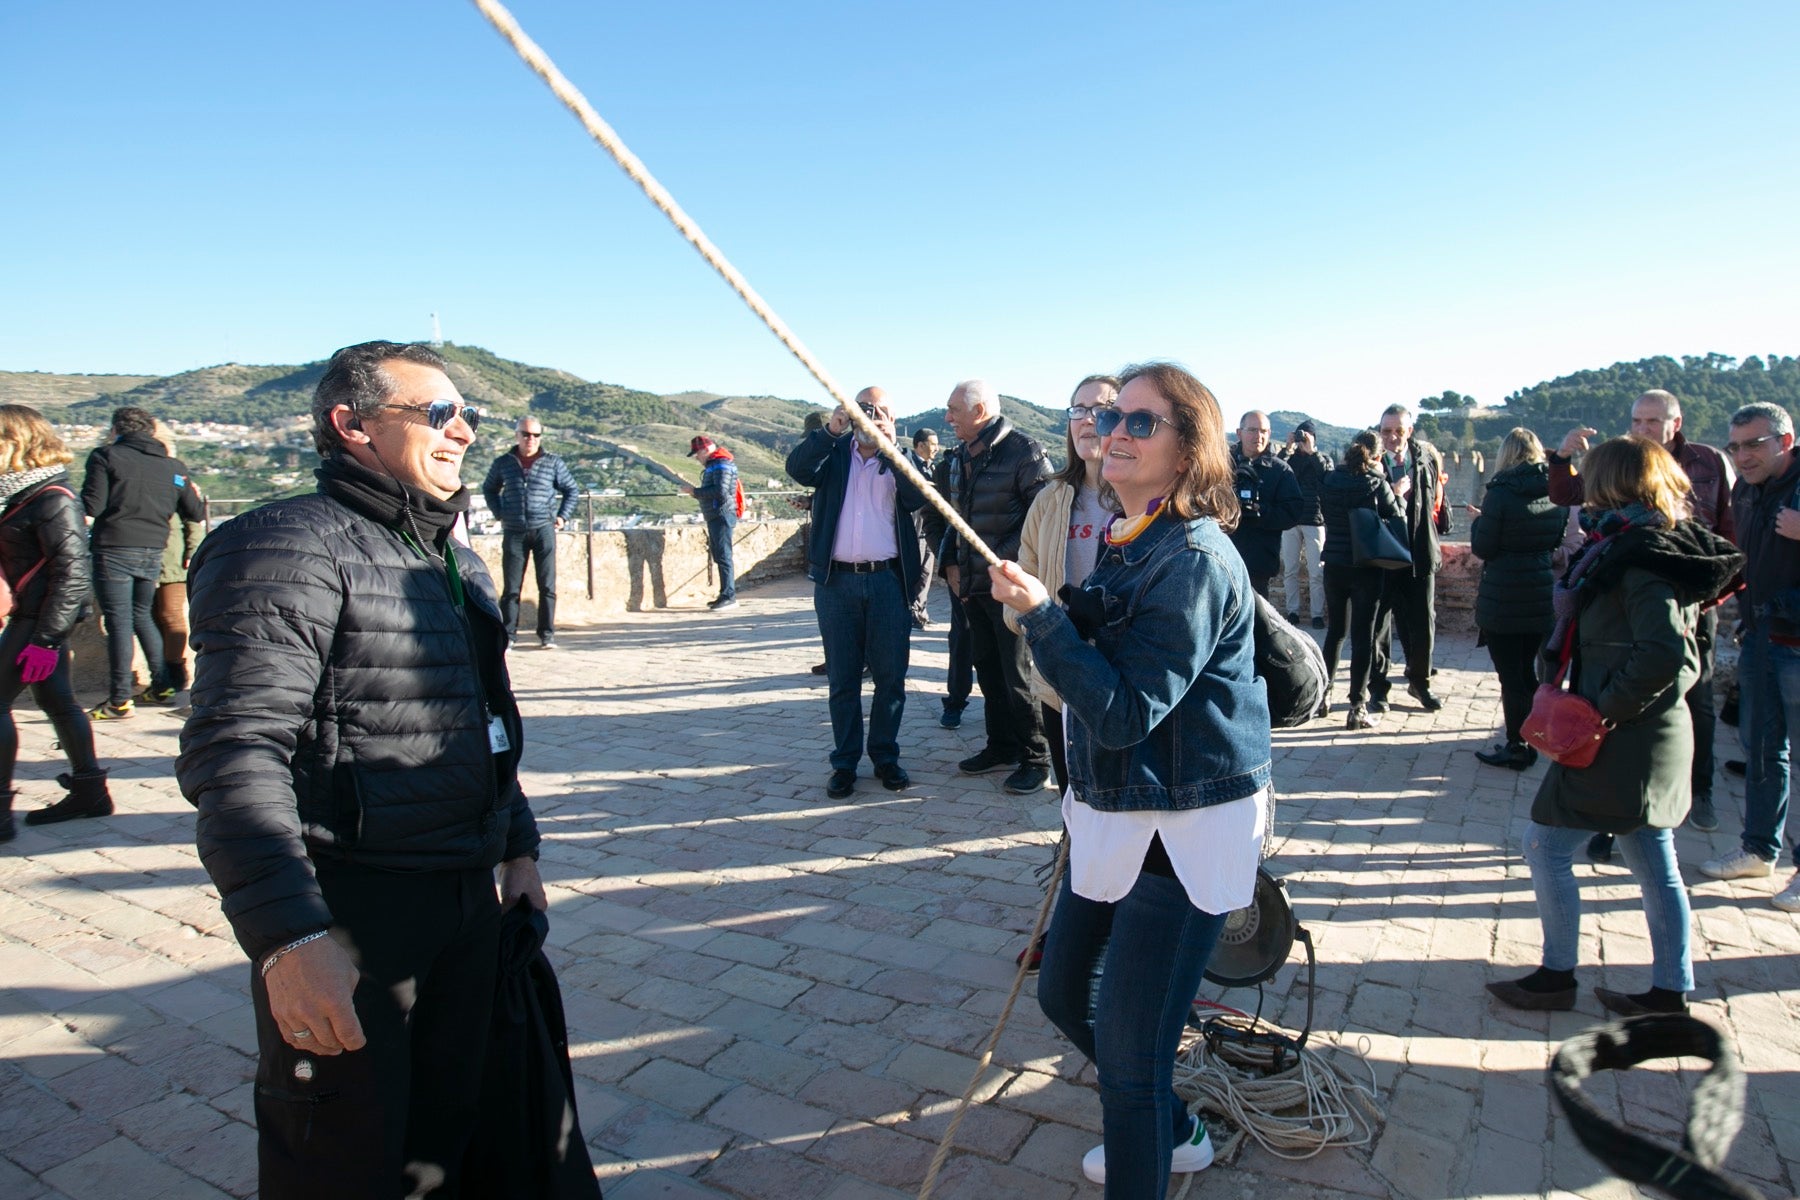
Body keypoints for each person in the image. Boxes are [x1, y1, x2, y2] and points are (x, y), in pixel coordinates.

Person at [176, 341, 546, 1197]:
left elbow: (488, 722)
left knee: (448, 1137)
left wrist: (517, 848)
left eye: (470, 417)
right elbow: (235, 751)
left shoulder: (459, 559)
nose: (462, 433)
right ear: (350, 425)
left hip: (463, 896)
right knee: (342, 1156)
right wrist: (289, 937)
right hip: (356, 906)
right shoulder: (283, 546)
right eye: (438, 414)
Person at [990, 362, 1271, 1196]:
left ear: (1189, 454)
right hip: (1118, 810)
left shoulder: (1190, 559)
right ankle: (1173, 1125)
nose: (1115, 431)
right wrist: (1061, 612)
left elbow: (1123, 712)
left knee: (1130, 1057)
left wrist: (1044, 619)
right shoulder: (1132, 533)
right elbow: (1111, 644)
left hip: (1179, 829)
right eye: (1113, 416)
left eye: (1141, 422)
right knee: (1063, 991)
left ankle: (1156, 1134)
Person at [1486, 435, 1739, 1016]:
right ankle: (1668, 991)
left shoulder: (1642, 556)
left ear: (1613, 484)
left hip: (1625, 740)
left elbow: (1669, 656)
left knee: (1546, 845)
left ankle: (1558, 976)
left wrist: (1601, 712)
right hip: (1636, 738)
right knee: (1654, 862)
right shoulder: (1637, 544)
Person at [1550, 390, 1734, 833]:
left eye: (1650, 421)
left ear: (1675, 422)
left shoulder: (1644, 548)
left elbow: (1726, 540)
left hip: (1680, 611)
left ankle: (1700, 790)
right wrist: (1561, 457)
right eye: (1635, 421)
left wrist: (1606, 710)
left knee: (1698, 702)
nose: (1641, 429)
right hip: (1627, 684)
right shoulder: (1621, 531)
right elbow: (1565, 492)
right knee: (1648, 842)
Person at [784, 388, 926, 799]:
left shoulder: (901, 459)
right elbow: (798, 468)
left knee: (890, 678)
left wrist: (890, 449)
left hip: (887, 582)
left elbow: (918, 497)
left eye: (882, 412)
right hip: (836, 583)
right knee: (843, 680)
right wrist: (832, 429)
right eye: (865, 409)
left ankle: (885, 756)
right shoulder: (833, 453)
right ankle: (844, 763)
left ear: (894, 420)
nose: (872, 417)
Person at [1699, 403, 1800, 909]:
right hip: (1761, 634)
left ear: (1785, 441)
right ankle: (1759, 850)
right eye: (1735, 446)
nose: (1741, 455)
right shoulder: (1745, 489)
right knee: (1762, 750)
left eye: (1753, 445)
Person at [938, 379, 1055, 794]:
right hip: (972, 584)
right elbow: (954, 517)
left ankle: (1035, 757)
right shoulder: (959, 457)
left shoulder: (1024, 451)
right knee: (987, 670)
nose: (947, 418)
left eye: (954, 410)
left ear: (981, 411)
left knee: (1018, 676)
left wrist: (998, 561)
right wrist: (949, 562)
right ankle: (1001, 745)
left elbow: (1043, 516)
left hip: (1008, 584)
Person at [1004, 375, 1119, 794]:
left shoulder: (1144, 498)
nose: (1088, 420)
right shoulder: (1049, 499)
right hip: (1060, 681)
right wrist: (1028, 620)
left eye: (1103, 409)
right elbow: (1026, 572)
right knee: (1073, 798)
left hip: (1123, 684)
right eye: (1078, 410)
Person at [0, 406, 110, 836]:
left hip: (39, 619)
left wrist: (45, 640)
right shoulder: (23, 495)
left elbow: (73, 573)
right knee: (59, 702)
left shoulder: (51, 498)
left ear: (16, 440)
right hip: (36, 616)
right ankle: (90, 793)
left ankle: (1, 814)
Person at [80, 405, 205, 719]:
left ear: (117, 430)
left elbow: (92, 505)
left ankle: (120, 699)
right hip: (153, 550)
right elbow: (196, 511)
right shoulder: (172, 466)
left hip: (114, 547)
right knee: (141, 617)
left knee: (119, 621)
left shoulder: (105, 456)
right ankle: (162, 685)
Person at [1469, 429, 1568, 769]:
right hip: (1540, 593)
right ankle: (1530, 738)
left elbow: (1484, 547)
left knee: (1512, 678)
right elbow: (1555, 540)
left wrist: (1479, 522)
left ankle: (1516, 746)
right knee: (1527, 675)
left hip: (1504, 596)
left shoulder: (1500, 492)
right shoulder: (1554, 490)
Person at [1318, 432, 1404, 730]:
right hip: (1367, 566)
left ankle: (1324, 696)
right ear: (1377, 456)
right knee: (1363, 637)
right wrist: (1398, 492)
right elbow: (1396, 516)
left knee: (1335, 633)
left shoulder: (1329, 480)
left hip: (1335, 562)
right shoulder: (1375, 482)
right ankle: (1357, 706)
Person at [1370, 403, 1449, 712]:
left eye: (1398, 431)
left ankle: (1419, 682)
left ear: (1410, 431)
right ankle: (1378, 688)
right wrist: (1390, 492)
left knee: (1423, 622)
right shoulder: (1371, 462)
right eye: (1386, 431)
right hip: (1383, 555)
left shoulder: (1426, 459)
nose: (1392, 438)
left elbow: (1434, 504)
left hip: (1419, 551)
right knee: (1379, 626)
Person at [481, 416, 580, 649]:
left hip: (544, 528)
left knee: (547, 586)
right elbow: (489, 488)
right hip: (514, 531)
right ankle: (509, 636)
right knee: (511, 588)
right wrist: (499, 513)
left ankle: (547, 635)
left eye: (536, 435)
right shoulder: (503, 463)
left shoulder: (552, 462)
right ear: (517, 436)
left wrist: (562, 516)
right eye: (526, 434)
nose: (530, 439)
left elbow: (571, 489)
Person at [150, 422, 205, 709]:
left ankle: (176, 672)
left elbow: (194, 520)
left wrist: (193, 552)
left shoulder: (178, 479)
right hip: (158, 555)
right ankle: (161, 674)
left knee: (170, 614)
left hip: (174, 557)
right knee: (151, 617)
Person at [919, 446, 975, 727]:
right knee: (962, 637)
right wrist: (948, 564)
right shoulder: (946, 469)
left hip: (1001, 569)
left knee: (1008, 647)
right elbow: (932, 519)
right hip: (959, 570)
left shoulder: (1014, 459)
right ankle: (956, 700)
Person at [1227, 410, 1303, 599]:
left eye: (1263, 431)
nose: (1258, 436)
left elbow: (1293, 512)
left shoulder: (1281, 470)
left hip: (1258, 563)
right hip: (1223, 557)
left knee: (1256, 625)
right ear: (1239, 433)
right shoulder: (1222, 465)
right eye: (1252, 430)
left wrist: (1262, 512)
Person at [1279, 420, 1331, 627]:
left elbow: (1327, 477)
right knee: (1290, 569)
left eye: (1306, 437)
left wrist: (1312, 452)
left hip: (1314, 520)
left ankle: (1317, 615)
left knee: (1316, 571)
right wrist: (1287, 448)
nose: (1302, 441)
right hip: (1291, 520)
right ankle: (1293, 612)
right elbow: (1276, 471)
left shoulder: (1322, 458)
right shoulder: (1290, 459)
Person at [681, 435, 743, 610]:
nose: (697, 458)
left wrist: (695, 491)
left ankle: (729, 596)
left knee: (724, 556)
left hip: (721, 514)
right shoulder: (716, 465)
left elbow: (720, 491)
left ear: (705, 450)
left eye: (697, 454)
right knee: (720, 555)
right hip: (717, 515)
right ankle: (725, 594)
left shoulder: (721, 464)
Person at [905, 428, 942, 628]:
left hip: (930, 528)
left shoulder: (934, 468)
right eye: (933, 444)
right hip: (915, 527)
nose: (936, 448)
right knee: (915, 572)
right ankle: (911, 611)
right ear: (920, 445)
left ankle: (921, 610)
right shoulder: (909, 465)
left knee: (927, 572)